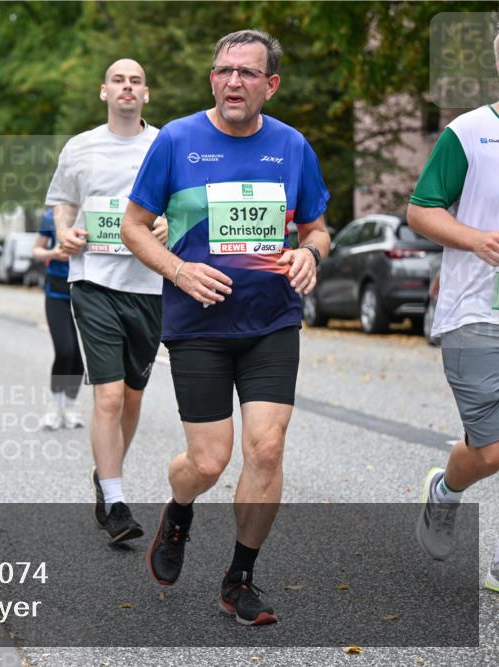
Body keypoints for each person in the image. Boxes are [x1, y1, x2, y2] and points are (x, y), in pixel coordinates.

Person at [121, 29, 331, 626]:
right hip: (198, 325)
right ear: (212, 78)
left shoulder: (292, 147)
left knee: (267, 448)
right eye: (223, 71)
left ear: (271, 84)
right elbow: (135, 226)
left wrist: (311, 254)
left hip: (272, 321)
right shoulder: (177, 141)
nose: (233, 81)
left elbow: (317, 227)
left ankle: (240, 578)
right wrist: (180, 269)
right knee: (209, 462)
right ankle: (180, 509)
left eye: (247, 72)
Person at [45, 58, 168, 543]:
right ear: (104, 91)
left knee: (133, 398)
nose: (127, 87)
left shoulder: (164, 144)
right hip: (93, 280)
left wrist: (166, 224)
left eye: (136, 80)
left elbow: (180, 202)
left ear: (146, 94)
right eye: (118, 80)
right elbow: (63, 201)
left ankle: (105, 474)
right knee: (110, 394)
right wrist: (63, 232)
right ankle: (116, 501)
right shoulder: (81, 147)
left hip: (149, 284)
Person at [408, 31, 499, 594]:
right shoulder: (468, 132)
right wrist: (474, 239)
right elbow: (421, 210)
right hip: (475, 315)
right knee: (489, 453)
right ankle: (445, 490)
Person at [32, 208, 85, 430]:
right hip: (57, 293)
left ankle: (70, 406)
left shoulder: (89, 211)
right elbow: (36, 250)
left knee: (80, 358)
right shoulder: (50, 217)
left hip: (85, 291)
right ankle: (54, 407)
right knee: (65, 350)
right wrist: (53, 253)